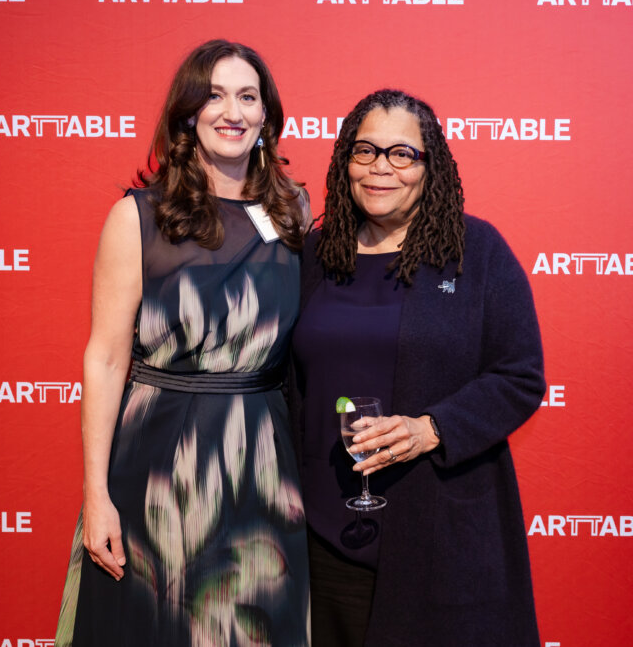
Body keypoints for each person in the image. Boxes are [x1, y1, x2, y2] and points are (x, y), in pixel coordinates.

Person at [55, 39, 312, 647]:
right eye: (214, 96)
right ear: (188, 113)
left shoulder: (293, 212)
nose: (233, 112)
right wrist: (97, 495)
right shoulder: (139, 217)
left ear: (267, 114)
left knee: (254, 622)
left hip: (263, 466)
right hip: (157, 467)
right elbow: (106, 359)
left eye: (248, 97)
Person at [289, 89, 545, 646]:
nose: (381, 167)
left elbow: (520, 375)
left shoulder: (475, 251)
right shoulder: (314, 255)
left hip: (438, 533)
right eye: (365, 151)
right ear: (345, 161)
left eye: (402, 153)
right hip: (322, 534)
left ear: (431, 166)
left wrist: (431, 429)